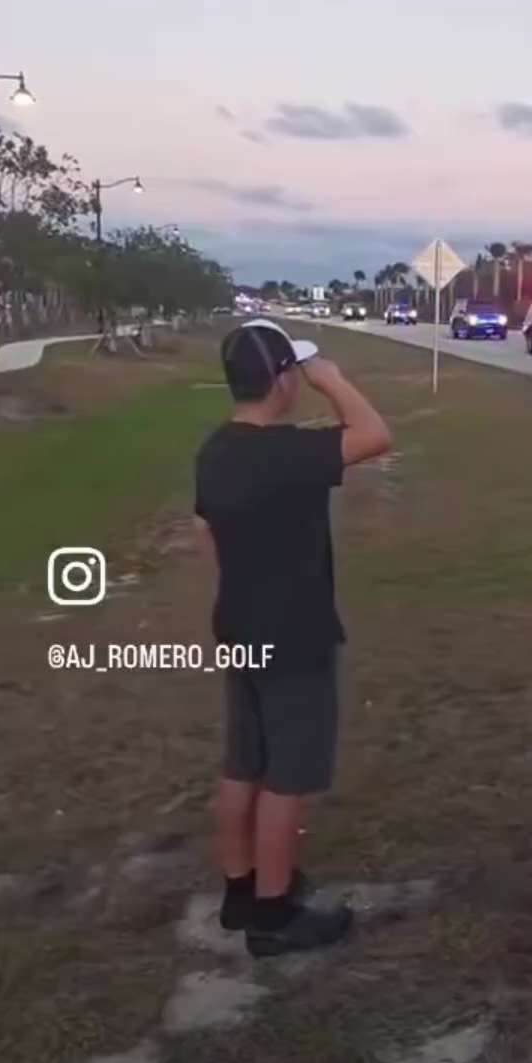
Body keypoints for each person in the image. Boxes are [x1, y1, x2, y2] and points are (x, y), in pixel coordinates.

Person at [193, 318, 390, 958]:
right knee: (287, 777)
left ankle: (239, 890)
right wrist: (331, 379)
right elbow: (374, 435)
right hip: (294, 634)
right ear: (282, 381)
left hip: (240, 626)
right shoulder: (285, 453)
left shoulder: (216, 450)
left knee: (242, 763)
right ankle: (274, 915)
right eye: (295, 374)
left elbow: (207, 536)